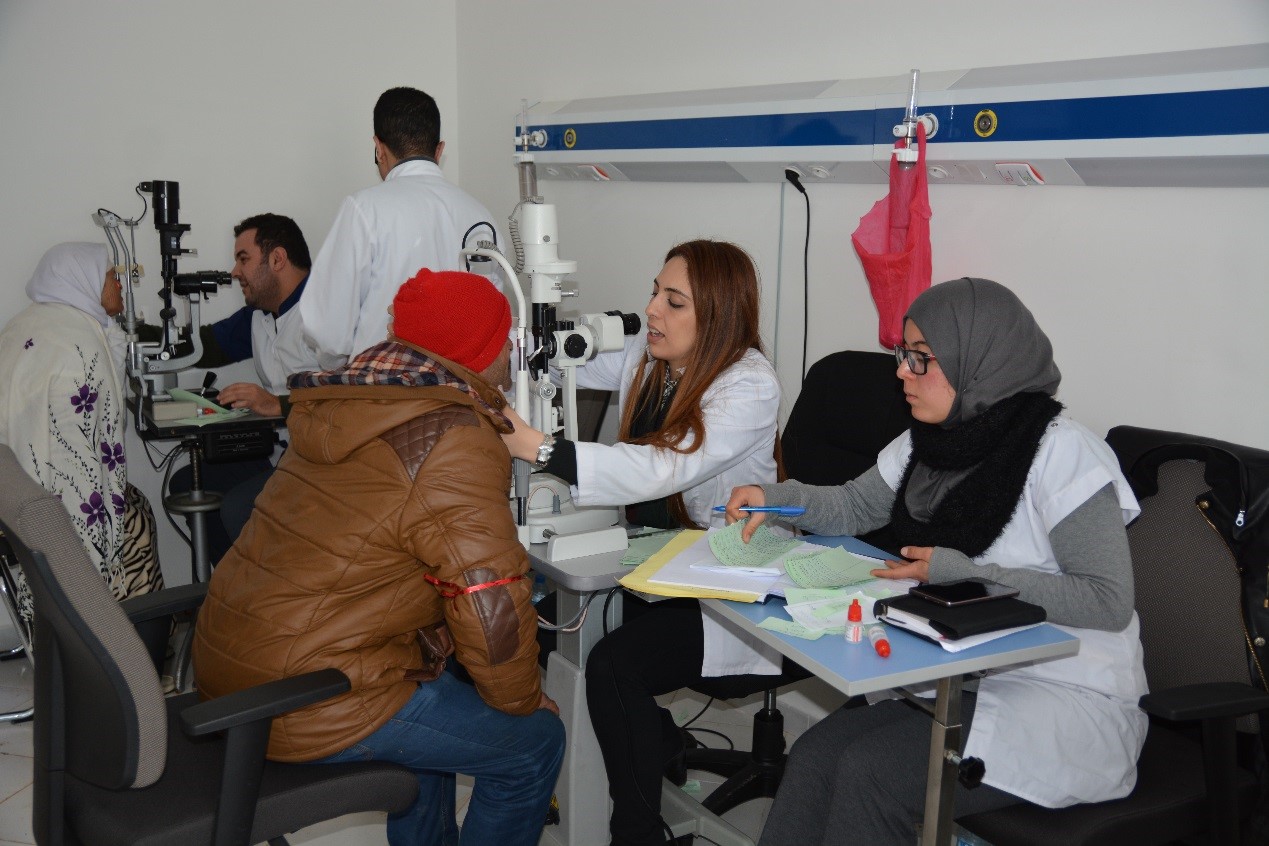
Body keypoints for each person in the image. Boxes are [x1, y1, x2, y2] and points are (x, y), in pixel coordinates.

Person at [723, 277, 1148, 845]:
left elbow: (1107, 600)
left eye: (921, 358)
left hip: (1062, 694)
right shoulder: (932, 439)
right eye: (903, 354)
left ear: (979, 362)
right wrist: (773, 498)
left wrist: (967, 574)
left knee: (869, 774)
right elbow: (853, 505)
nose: (902, 372)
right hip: (963, 675)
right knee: (815, 756)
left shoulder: (1065, 453)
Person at [192, 268, 564, 846]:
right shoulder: (454, 436)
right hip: (308, 697)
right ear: (481, 351)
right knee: (533, 745)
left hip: (232, 671)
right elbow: (488, 601)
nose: (511, 351)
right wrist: (521, 701)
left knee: (435, 694)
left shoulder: (345, 403)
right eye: (505, 337)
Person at [499, 239, 787, 846]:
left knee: (612, 666)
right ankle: (655, 739)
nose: (652, 309)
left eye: (673, 301)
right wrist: (518, 343)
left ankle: (637, 831)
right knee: (541, 632)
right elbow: (562, 365)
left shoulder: (749, 385)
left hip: (731, 581)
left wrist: (542, 449)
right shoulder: (650, 357)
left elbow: (664, 466)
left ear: (717, 315)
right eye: (655, 292)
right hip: (659, 558)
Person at [0, 242, 164, 624]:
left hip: (15, 502)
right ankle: (134, 638)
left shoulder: (29, 324)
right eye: (111, 276)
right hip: (57, 518)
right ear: (83, 280)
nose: (119, 284)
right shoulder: (79, 344)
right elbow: (94, 451)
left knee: (138, 504)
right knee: (137, 521)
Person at [161, 213, 327, 561]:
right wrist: (133, 338)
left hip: (324, 461)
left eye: (243, 259)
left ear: (277, 259)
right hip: (282, 454)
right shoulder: (260, 315)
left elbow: (351, 397)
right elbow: (202, 346)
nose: (235, 272)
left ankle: (261, 588)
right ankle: (232, 586)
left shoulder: (328, 312)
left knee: (238, 507)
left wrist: (279, 404)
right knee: (186, 484)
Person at [301, 86, 504, 363]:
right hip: (461, 385)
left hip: (383, 384)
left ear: (379, 148)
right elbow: (492, 316)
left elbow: (327, 330)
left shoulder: (363, 209)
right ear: (439, 150)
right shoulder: (481, 216)